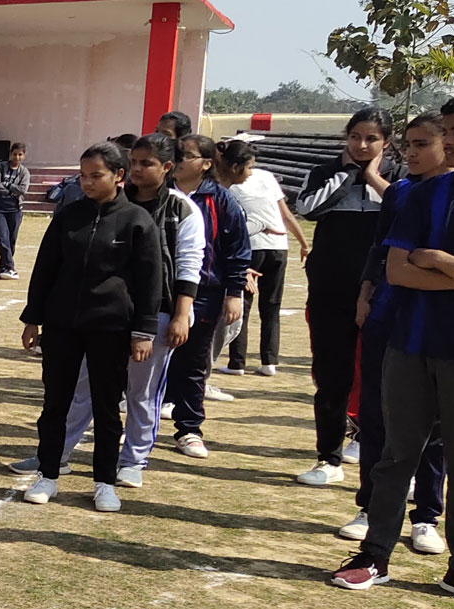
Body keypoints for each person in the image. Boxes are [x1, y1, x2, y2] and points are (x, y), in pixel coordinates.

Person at [9, 134, 203, 493]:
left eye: (95, 175)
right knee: (56, 403)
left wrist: (144, 331)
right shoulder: (68, 216)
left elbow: (149, 282)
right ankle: (48, 474)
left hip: (112, 329)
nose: (86, 182)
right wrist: (32, 318)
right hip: (63, 326)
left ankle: (105, 481)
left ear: (117, 175)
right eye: (82, 175)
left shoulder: (136, 220)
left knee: (108, 406)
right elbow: (45, 269)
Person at [329, 100, 454, 593]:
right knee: (393, 453)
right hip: (409, 341)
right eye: (445, 131)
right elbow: (398, 269)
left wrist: (438, 258)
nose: (449, 141)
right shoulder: (424, 195)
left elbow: (417, 265)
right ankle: (375, 555)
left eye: (453, 132)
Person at [295, 108, 406, 487]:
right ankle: (328, 457)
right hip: (330, 290)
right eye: (355, 136)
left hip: (383, 292)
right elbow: (307, 208)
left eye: (371, 139)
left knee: (383, 380)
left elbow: (405, 212)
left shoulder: (401, 178)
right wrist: (345, 175)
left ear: (386, 143)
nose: (361, 145)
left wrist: (373, 177)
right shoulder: (325, 171)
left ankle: (383, 455)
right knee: (332, 378)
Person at [163, 134, 251, 460]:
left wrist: (233, 293)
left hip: (204, 294)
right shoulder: (159, 194)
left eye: (186, 155)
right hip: (159, 291)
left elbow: (238, 251)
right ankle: (134, 424)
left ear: (206, 163)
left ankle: (188, 429)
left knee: (193, 362)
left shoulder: (221, 200)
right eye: (176, 154)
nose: (179, 160)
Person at [216, 141, 306, 380]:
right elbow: (285, 213)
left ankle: (237, 362)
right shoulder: (266, 176)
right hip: (279, 246)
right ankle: (269, 361)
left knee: (241, 305)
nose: (250, 171)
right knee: (272, 306)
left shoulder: (228, 184)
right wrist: (304, 242)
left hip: (252, 247)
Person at [0, 142, 30, 280]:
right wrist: (11, 189)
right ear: (10, 154)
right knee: (2, 237)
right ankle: (10, 267)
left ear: (23, 156)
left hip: (15, 208)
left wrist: (7, 186)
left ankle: (2, 267)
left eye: (20, 154)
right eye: (14, 154)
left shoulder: (24, 172)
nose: (17, 157)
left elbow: (23, 189)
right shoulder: (0, 167)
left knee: (11, 239)